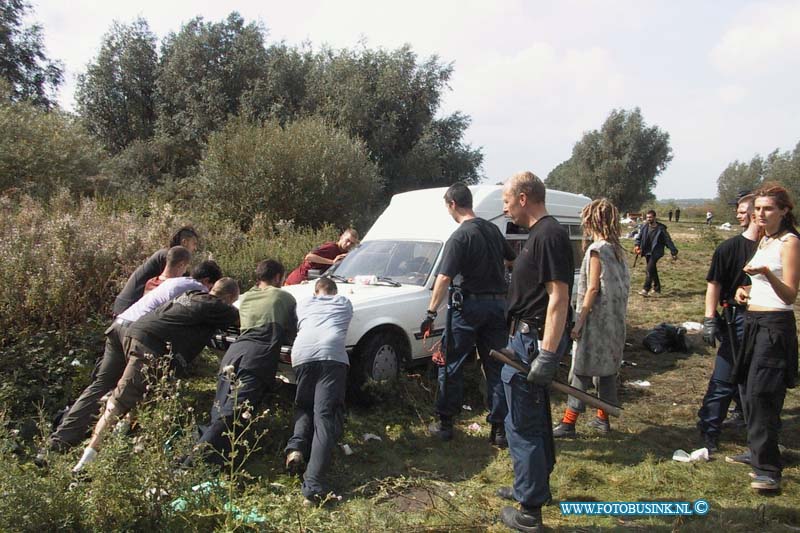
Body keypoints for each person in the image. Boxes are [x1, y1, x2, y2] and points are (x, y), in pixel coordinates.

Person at [37, 249, 209, 458]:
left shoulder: (155, 283)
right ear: (183, 266)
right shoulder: (191, 288)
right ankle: (110, 450)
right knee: (136, 391)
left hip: (120, 325)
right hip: (138, 336)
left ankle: (59, 443)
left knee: (100, 386)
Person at [72, 278, 240, 473]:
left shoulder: (191, 295)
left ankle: (117, 445)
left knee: (145, 397)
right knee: (121, 400)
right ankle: (84, 464)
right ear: (228, 297)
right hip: (151, 346)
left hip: (136, 333)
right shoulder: (218, 306)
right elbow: (244, 320)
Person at [496, 171, 573, 532]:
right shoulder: (537, 235)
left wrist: (547, 353)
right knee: (532, 419)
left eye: (507, 200)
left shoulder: (550, 235)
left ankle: (529, 512)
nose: (505, 206)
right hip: (525, 339)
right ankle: (530, 487)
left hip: (532, 343)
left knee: (523, 425)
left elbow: (559, 297)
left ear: (524, 197)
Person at [419, 183, 515, 445]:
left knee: (451, 364)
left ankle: (445, 423)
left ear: (452, 204)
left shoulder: (460, 237)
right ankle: (499, 430)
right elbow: (511, 259)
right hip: (496, 306)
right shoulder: (493, 230)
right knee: (495, 365)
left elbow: (444, 278)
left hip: (469, 307)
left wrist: (430, 312)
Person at [728, 184, 799, 491]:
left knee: (764, 394)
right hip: (754, 319)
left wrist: (768, 274)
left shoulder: (790, 242)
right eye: (757, 209)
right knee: (747, 389)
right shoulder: (765, 239)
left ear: (784, 211)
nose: (760, 214)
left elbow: (789, 294)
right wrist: (744, 291)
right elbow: (757, 284)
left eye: (767, 209)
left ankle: (769, 470)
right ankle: (757, 451)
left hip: (774, 324)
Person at [192, 260, 297, 465]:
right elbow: (292, 333)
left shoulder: (246, 297)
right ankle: (192, 463)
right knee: (232, 415)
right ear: (278, 277)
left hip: (233, 354)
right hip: (257, 358)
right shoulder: (284, 297)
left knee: (219, 412)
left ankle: (212, 459)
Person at [553, 199, 630, 438]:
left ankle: (568, 423)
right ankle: (602, 419)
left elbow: (593, 289)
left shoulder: (597, 250)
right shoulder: (618, 251)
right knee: (607, 371)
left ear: (591, 221)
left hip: (596, 323)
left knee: (580, 371)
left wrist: (579, 321)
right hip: (615, 322)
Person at [696, 193, 758, 453]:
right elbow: (714, 285)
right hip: (735, 320)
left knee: (756, 381)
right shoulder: (729, 248)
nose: (738, 214)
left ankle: (752, 428)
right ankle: (709, 429)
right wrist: (710, 318)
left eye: (744, 210)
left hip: (765, 321)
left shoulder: (777, 247)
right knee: (725, 378)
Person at [284, 277, 353, 504]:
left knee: (304, 406)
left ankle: (295, 449)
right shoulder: (343, 302)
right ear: (335, 291)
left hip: (301, 354)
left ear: (315, 291)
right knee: (324, 416)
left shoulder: (304, 303)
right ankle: (313, 485)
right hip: (331, 355)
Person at [112, 226, 200, 315]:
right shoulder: (167, 256)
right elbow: (185, 281)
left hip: (128, 306)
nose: (195, 248)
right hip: (129, 306)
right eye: (194, 243)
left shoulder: (165, 254)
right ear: (184, 242)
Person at [284, 229, 360, 285]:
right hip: (298, 281)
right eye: (347, 240)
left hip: (314, 283)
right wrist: (332, 262)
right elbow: (309, 257)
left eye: (352, 243)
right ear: (341, 237)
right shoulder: (331, 247)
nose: (348, 244)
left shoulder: (345, 253)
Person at [634, 210, 678, 296]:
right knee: (652, 269)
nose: (648, 219)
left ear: (654, 217)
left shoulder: (661, 229)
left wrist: (673, 252)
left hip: (657, 252)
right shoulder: (644, 226)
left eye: (650, 217)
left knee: (649, 269)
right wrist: (637, 245)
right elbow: (639, 237)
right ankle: (657, 289)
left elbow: (668, 241)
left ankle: (645, 289)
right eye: (647, 217)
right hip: (647, 251)